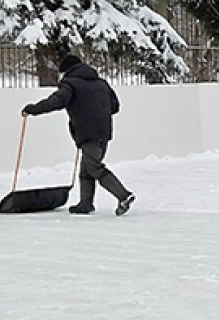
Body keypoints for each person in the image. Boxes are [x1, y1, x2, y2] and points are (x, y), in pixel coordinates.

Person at [23, 54, 136, 216]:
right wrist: (96, 112)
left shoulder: (70, 84)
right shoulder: (101, 83)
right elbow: (115, 106)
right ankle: (85, 204)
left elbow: (56, 102)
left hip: (88, 132)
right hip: (104, 131)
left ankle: (123, 195)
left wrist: (33, 109)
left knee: (94, 167)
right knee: (86, 170)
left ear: (66, 70)